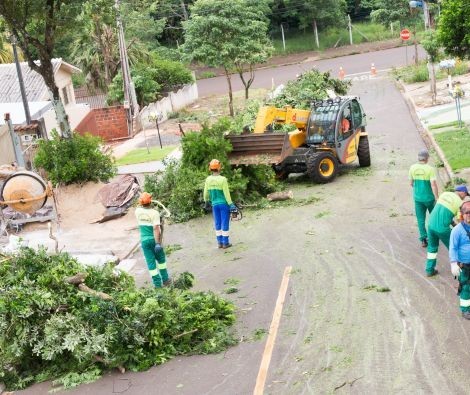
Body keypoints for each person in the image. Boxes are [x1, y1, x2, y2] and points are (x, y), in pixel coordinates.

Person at [425, 185, 469, 277]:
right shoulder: (460, 203)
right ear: (462, 192)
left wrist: (453, 224)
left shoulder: (444, 194)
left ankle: (429, 270)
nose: (465, 197)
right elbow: (460, 220)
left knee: (432, 248)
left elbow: (444, 213)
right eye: (465, 194)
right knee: (455, 248)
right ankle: (462, 272)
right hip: (442, 228)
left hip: (431, 224)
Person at [135, 192, 170, 288]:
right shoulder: (154, 213)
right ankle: (166, 280)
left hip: (144, 241)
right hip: (153, 240)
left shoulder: (137, 212)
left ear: (141, 203)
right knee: (161, 260)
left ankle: (157, 285)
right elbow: (156, 229)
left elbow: (139, 206)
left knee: (151, 263)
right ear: (150, 201)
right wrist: (158, 243)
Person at [408, 149, 439, 247]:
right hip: (429, 198)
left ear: (419, 158)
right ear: (427, 158)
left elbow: (411, 183)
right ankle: (434, 236)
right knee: (434, 217)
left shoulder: (412, 168)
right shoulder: (430, 169)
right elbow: (433, 184)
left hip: (418, 199)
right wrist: (436, 197)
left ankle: (423, 239)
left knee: (420, 220)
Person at [204, 159, 236, 249]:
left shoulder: (208, 179)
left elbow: (205, 193)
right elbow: (227, 194)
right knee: (224, 222)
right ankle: (225, 243)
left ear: (210, 168)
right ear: (219, 168)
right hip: (224, 205)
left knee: (217, 223)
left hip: (214, 205)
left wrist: (206, 200)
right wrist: (231, 204)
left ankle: (219, 243)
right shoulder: (223, 179)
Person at [449, 198, 470, 319]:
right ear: (462, 215)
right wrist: (453, 263)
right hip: (465, 265)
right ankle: (465, 309)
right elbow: (453, 248)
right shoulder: (457, 231)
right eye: (467, 213)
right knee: (466, 287)